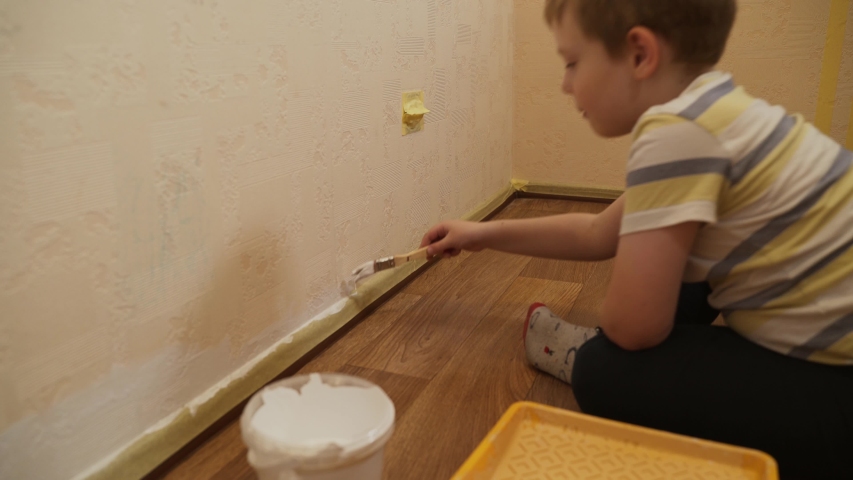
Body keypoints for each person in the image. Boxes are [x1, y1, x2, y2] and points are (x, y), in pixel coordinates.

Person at [420, 0, 853, 477]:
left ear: (640, 54)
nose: (564, 84)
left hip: (839, 388)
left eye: (571, 63)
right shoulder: (715, 112)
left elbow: (633, 327)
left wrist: (626, 319)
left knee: (606, 371)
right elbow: (597, 232)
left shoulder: (675, 133)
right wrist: (484, 233)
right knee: (684, 269)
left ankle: (578, 351)